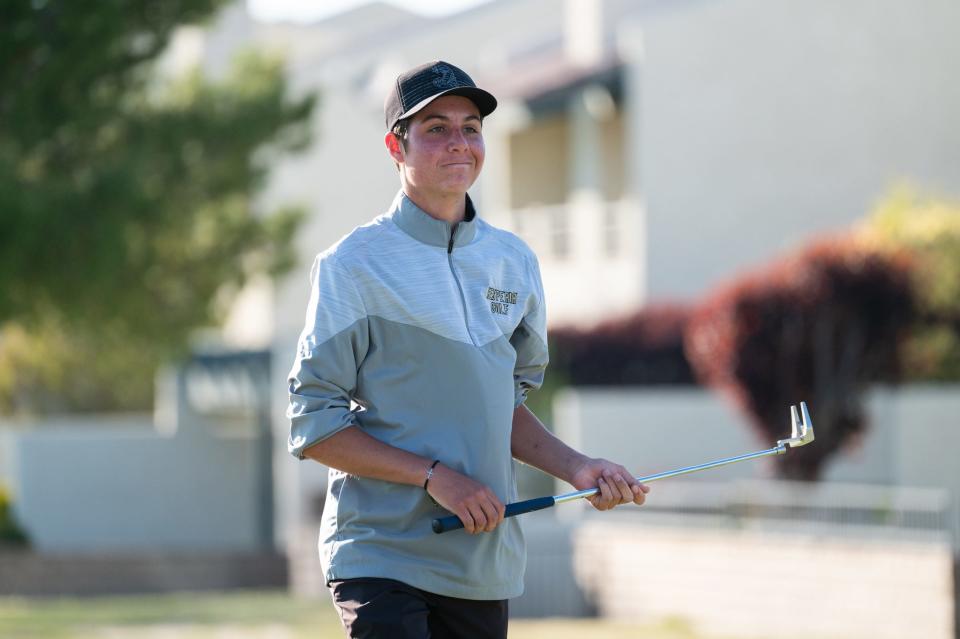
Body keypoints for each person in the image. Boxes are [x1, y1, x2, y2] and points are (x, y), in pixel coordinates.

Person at [287, 60, 649, 639]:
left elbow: (499, 406)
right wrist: (434, 476)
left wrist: (579, 467)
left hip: (481, 560)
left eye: (471, 127)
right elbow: (313, 425)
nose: (459, 143)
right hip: (380, 555)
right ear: (395, 147)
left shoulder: (515, 262)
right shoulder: (351, 266)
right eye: (435, 128)